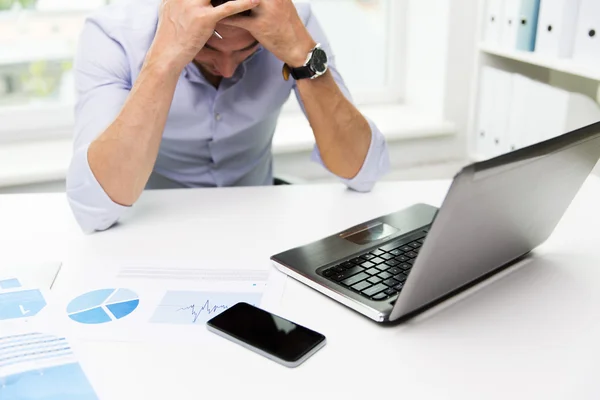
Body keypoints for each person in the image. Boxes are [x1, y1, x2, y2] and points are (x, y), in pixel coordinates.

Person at [66, 0, 390, 233]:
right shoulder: (114, 34)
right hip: (154, 227)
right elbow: (94, 210)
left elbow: (362, 171)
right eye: (207, 48)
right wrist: (166, 58)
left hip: (260, 226)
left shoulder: (291, 20)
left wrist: (300, 54)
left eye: (246, 51)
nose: (227, 69)